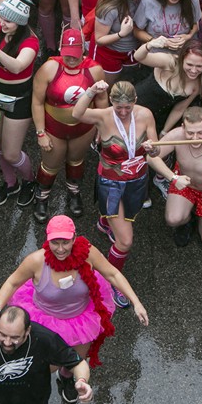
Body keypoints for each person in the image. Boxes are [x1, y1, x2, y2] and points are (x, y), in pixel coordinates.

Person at [0, 214, 147, 399]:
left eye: (65, 242)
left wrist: (136, 302)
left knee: (75, 362)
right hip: (44, 320)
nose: (60, 249)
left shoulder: (88, 253)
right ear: (47, 240)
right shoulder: (36, 261)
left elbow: (112, 274)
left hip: (80, 319)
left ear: (74, 238)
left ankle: (66, 379)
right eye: (55, 243)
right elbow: (12, 283)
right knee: (45, 365)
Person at [71, 80, 156, 308]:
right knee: (126, 241)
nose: (124, 112)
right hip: (111, 183)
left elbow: (155, 147)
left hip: (137, 181)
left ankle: (105, 221)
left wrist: (154, 148)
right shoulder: (103, 116)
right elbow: (77, 113)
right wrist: (91, 91)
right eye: (119, 107)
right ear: (112, 102)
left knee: (127, 217)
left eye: (128, 107)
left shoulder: (146, 115)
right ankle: (109, 282)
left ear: (135, 102)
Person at [30, 28, 107, 222]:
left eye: (75, 55)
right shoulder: (49, 68)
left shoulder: (95, 69)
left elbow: (102, 101)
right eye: (67, 55)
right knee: (50, 164)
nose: (71, 59)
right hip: (54, 127)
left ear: (83, 50)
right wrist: (40, 133)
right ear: (60, 49)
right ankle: (42, 197)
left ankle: (74, 192)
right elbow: (37, 101)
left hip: (83, 129)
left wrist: (101, 127)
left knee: (76, 160)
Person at [0, 0, 39, 208]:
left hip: (18, 98)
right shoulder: (0, 28)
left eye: (8, 22)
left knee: (13, 153)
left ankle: (30, 181)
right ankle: (10, 182)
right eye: (1, 18)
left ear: (21, 22)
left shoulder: (30, 42)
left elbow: (17, 66)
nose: (2, 24)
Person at [145, 107, 202, 247]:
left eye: (200, 132)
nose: (195, 138)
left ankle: (201, 216)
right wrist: (173, 177)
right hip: (186, 184)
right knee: (173, 219)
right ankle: (187, 220)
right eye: (190, 133)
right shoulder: (176, 135)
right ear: (183, 127)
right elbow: (152, 157)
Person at [132, 36, 202, 135]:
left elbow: (179, 109)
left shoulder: (199, 83)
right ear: (182, 59)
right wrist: (149, 45)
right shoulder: (169, 62)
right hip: (136, 106)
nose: (194, 70)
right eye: (189, 65)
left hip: (159, 120)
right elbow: (138, 57)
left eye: (199, 66)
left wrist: (164, 131)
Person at [92, 0, 149, 84]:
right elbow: (99, 39)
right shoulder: (110, 6)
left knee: (130, 85)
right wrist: (121, 34)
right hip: (109, 53)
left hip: (133, 51)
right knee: (106, 88)